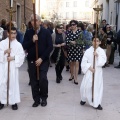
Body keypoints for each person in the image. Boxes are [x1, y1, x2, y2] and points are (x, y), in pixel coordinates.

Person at [22, 14, 53, 107]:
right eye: (32, 20)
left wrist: (42, 58)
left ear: (40, 22)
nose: (34, 22)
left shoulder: (46, 32)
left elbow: (50, 47)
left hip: (43, 60)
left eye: (36, 20)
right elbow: (24, 46)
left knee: (43, 78)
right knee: (33, 80)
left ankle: (44, 98)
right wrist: (32, 40)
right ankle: (36, 99)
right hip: (32, 59)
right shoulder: (28, 32)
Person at [0, 26, 25, 110]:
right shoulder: (2, 43)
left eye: (15, 33)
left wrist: (13, 58)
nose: (13, 35)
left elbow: (22, 56)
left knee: (12, 83)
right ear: (7, 33)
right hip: (3, 66)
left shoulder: (18, 45)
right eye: (11, 33)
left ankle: (13, 101)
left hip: (13, 67)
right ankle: (2, 101)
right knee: (2, 83)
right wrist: (5, 52)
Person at [80, 37, 106, 110]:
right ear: (92, 42)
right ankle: (83, 99)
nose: (95, 42)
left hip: (97, 72)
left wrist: (97, 55)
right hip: (89, 71)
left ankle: (97, 103)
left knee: (97, 87)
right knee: (85, 86)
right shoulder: (88, 51)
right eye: (94, 41)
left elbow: (103, 62)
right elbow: (84, 61)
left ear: (100, 42)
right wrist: (89, 67)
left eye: (97, 41)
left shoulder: (101, 51)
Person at [66, 20, 83, 85]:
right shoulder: (69, 32)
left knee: (77, 63)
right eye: (71, 25)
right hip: (71, 50)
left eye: (73, 24)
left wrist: (76, 42)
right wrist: (71, 42)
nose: (72, 26)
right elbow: (67, 40)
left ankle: (76, 78)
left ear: (76, 25)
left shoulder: (80, 32)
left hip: (77, 50)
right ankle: (71, 75)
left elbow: (82, 41)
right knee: (71, 64)